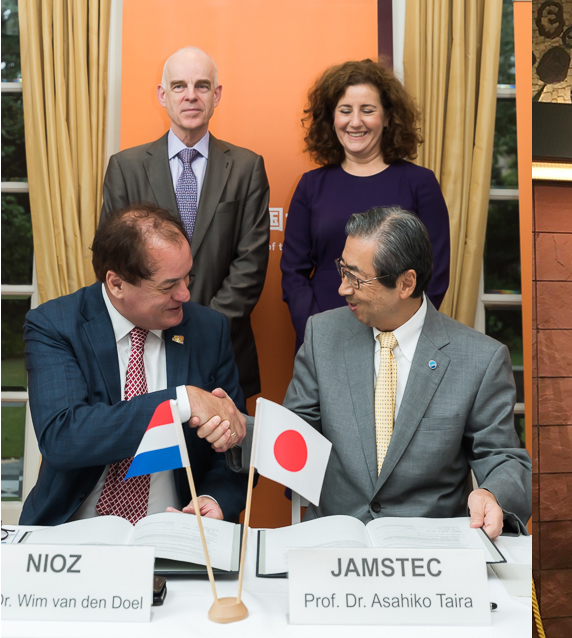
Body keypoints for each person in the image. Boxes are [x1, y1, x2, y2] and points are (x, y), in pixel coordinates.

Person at [283, 207, 529, 539]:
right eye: (343, 270)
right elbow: (291, 435)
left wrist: (492, 494)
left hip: (430, 553)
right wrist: (239, 429)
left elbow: (503, 458)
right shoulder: (323, 335)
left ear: (405, 283)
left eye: (356, 278)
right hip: (335, 543)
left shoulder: (480, 360)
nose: (343, 288)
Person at [20, 204, 250, 526]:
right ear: (116, 284)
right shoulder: (56, 325)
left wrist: (215, 498)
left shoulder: (208, 330)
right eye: (169, 286)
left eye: (188, 277)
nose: (185, 294)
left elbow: (232, 444)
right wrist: (179, 402)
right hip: (72, 532)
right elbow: (64, 436)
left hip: (172, 532)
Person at [101, 46, 269, 399]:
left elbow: (250, 264)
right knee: (149, 452)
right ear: (163, 95)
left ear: (216, 95)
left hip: (223, 350)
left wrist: (204, 327)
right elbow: (110, 262)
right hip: (145, 347)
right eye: (179, 86)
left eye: (202, 86)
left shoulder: (246, 167)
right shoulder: (125, 167)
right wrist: (159, 313)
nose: (190, 95)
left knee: (223, 451)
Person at [281, 59, 450, 350]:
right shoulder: (311, 185)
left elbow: (434, 273)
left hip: (398, 341)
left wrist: (403, 333)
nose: (355, 121)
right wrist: (316, 332)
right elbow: (293, 274)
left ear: (387, 118)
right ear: (332, 119)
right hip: (325, 337)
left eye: (367, 110)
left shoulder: (420, 184)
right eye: (345, 111)